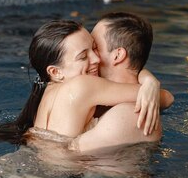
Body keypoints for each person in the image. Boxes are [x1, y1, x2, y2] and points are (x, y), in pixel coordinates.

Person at [14, 19, 171, 146]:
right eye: (83, 56)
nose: (96, 59)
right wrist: (150, 82)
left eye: (94, 48)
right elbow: (166, 98)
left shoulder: (45, 91)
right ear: (55, 72)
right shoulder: (84, 85)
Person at [72, 12, 172, 152]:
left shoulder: (128, 115)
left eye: (94, 47)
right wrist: (149, 80)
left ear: (117, 55)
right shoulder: (110, 101)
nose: (91, 56)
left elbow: (60, 157)